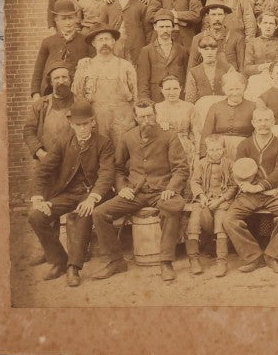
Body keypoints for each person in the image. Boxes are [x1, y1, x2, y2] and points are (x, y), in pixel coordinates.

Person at [91, 98, 188, 283]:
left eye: (149, 116)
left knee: (172, 207)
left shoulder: (169, 135)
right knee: (99, 213)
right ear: (135, 117)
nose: (146, 120)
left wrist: (171, 188)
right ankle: (116, 261)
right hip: (135, 192)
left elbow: (181, 168)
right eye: (141, 116)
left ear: (156, 115)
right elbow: (118, 168)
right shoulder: (127, 137)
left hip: (161, 190)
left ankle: (166, 261)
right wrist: (122, 188)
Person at [28, 99, 115, 287]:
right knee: (36, 216)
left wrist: (92, 198)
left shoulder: (104, 143)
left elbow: (107, 174)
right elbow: (43, 171)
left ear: (93, 122)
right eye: (78, 125)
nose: (82, 129)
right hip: (68, 194)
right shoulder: (62, 143)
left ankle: (73, 267)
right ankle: (59, 261)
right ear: (71, 124)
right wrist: (38, 198)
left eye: (86, 124)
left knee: (80, 215)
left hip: (92, 194)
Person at [223, 106, 278, 273]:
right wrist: (258, 190)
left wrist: (261, 187)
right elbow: (240, 172)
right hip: (250, 193)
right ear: (253, 122)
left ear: (274, 121)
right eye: (259, 120)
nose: (263, 124)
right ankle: (253, 257)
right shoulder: (244, 145)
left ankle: (273, 256)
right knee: (229, 219)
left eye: (267, 120)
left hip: (276, 192)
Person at [73, 27, 138, 148]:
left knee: (123, 156)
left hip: (123, 120)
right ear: (93, 44)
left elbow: (136, 96)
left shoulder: (126, 66)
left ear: (113, 42)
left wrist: (133, 120)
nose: (104, 43)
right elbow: (79, 97)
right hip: (98, 120)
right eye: (100, 40)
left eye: (107, 39)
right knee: (100, 154)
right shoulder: (86, 67)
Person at [185, 133, 236, 277]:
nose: (215, 153)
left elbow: (233, 186)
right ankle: (194, 259)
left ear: (223, 149)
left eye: (218, 149)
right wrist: (201, 196)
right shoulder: (200, 164)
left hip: (222, 200)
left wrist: (220, 200)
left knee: (220, 224)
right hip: (204, 199)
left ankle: (222, 262)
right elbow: (195, 182)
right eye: (212, 150)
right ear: (206, 150)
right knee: (194, 221)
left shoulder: (230, 164)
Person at [31, 0, 89, 100]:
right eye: (64, 19)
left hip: (77, 93)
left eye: (70, 18)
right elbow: (38, 70)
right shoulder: (48, 42)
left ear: (76, 18)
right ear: (56, 20)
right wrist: (36, 93)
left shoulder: (85, 41)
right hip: (51, 91)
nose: (68, 22)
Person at [23, 61, 76, 164]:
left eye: (64, 77)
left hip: (74, 163)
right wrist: (41, 153)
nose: (61, 81)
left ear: (70, 80)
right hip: (48, 161)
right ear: (51, 82)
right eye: (56, 78)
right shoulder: (41, 105)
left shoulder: (80, 102)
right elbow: (29, 131)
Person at [198, 71, 257, 156]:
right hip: (218, 151)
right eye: (231, 89)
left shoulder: (253, 106)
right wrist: (203, 155)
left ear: (244, 87)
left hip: (245, 150)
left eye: (238, 89)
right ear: (224, 90)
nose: (235, 93)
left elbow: (259, 132)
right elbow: (206, 134)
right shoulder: (215, 107)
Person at [136, 11, 189, 103]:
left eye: (168, 26)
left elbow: (188, 77)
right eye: (161, 27)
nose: (165, 30)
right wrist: (145, 101)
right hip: (156, 98)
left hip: (179, 99)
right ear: (155, 27)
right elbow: (143, 81)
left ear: (173, 27)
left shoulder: (182, 50)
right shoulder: (146, 51)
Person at [110, 0, 150, 66]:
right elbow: (102, 28)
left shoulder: (141, 6)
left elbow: (148, 30)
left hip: (135, 47)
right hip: (115, 48)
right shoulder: (108, 5)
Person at [185, 29, 233, 102]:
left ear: (217, 49)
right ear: (199, 49)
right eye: (206, 49)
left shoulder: (228, 68)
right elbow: (190, 100)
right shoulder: (193, 72)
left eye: (213, 49)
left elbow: (233, 93)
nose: (209, 52)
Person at [155, 74, 194, 158]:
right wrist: (159, 127)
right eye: (168, 89)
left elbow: (196, 132)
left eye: (175, 88)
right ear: (162, 90)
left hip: (185, 148)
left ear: (180, 88)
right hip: (163, 148)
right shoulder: (156, 108)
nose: (172, 92)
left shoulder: (189, 107)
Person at [241, 10, 278, 81]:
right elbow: (246, 68)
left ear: (276, 26)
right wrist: (261, 67)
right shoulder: (252, 43)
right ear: (259, 24)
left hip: (276, 78)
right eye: (265, 23)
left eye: (271, 23)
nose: (268, 26)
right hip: (257, 78)